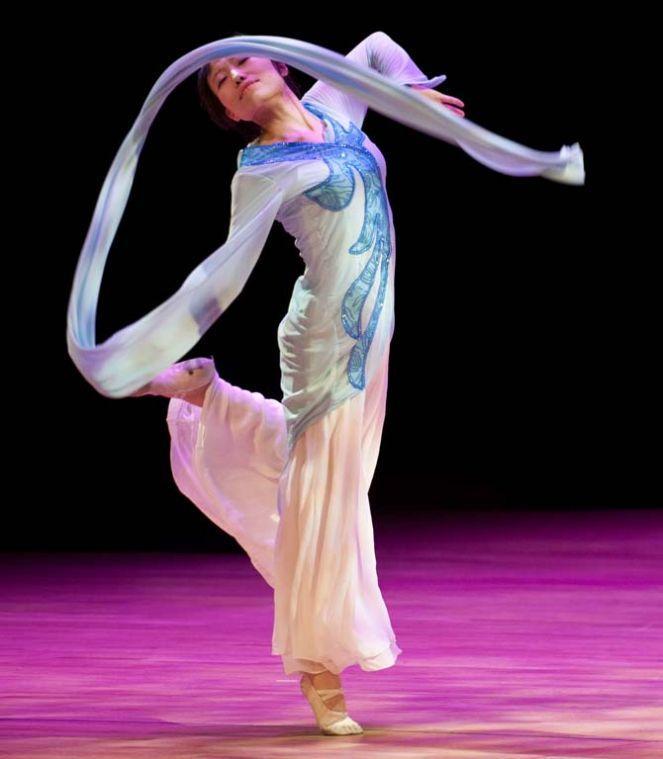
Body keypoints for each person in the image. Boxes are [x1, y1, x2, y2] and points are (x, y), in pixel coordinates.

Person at [66, 31, 584, 736]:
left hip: (374, 335)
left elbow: (373, 48)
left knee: (326, 480)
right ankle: (317, 671)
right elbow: (219, 273)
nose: (235, 77)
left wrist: (408, 92)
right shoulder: (258, 167)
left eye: (241, 61)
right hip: (324, 339)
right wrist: (137, 348)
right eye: (220, 82)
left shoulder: (337, 105)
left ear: (278, 62)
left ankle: (206, 394)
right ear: (230, 113)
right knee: (321, 502)